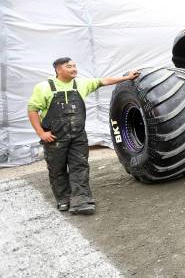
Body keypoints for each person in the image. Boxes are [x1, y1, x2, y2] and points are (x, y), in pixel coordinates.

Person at [27, 57, 140, 215]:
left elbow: (104, 81)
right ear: (58, 70)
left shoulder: (80, 84)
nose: (74, 69)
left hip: (78, 137)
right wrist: (41, 133)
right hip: (55, 138)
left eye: (74, 66)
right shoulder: (44, 87)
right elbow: (32, 110)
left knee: (79, 167)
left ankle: (82, 201)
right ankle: (63, 199)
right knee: (57, 169)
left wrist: (127, 77)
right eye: (69, 67)